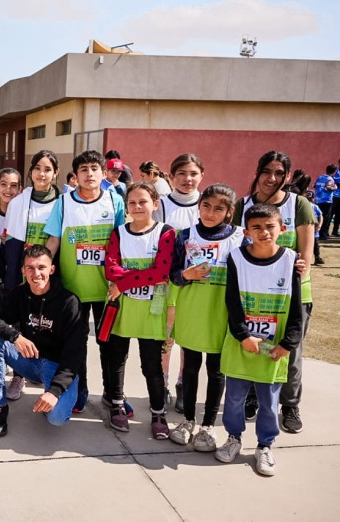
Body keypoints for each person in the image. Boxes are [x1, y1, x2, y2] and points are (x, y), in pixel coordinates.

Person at [215, 204, 303, 476]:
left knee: (268, 401)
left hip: (274, 348)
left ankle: (265, 446)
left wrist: (288, 344)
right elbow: (232, 302)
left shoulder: (291, 260)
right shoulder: (236, 258)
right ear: (247, 231)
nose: (264, 232)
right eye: (257, 227)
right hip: (242, 344)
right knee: (234, 398)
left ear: (282, 229)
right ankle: (233, 438)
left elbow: (297, 308)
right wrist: (243, 335)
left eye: (270, 226)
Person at [233, 151, 316, 433]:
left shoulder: (299, 205)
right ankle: (253, 397)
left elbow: (307, 255)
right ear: (257, 171)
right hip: (252, 293)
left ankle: (290, 405)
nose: (272, 178)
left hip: (291, 294)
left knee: (289, 351)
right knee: (254, 345)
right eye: (267, 171)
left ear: (288, 177)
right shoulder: (242, 205)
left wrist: (295, 269)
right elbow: (235, 248)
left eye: (279, 173)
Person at [44, 150, 126, 414]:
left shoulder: (115, 202)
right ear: (75, 175)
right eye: (84, 169)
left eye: (94, 169)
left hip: (107, 290)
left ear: (104, 174)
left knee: (109, 344)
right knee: (75, 345)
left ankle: (113, 395)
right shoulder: (64, 202)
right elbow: (54, 240)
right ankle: (78, 392)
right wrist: (43, 269)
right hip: (73, 290)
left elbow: (125, 240)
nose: (89, 174)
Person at [168, 184, 247, 451]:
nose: (211, 213)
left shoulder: (239, 238)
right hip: (192, 313)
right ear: (199, 205)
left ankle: (207, 426)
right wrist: (186, 276)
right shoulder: (185, 236)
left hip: (222, 316)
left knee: (216, 372)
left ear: (229, 212)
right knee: (189, 369)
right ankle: (188, 420)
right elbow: (173, 274)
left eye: (219, 209)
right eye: (206, 206)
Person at [0, 245, 83, 437]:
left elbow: (75, 354)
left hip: (57, 367)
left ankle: (56, 397)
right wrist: (15, 336)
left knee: (56, 418)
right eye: (30, 268)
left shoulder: (69, 302)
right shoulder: (20, 294)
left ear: (51, 269)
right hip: (29, 360)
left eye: (41, 267)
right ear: (23, 271)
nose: (36, 273)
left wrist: (54, 391)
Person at [104, 182, 175, 439]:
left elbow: (162, 271)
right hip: (121, 311)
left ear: (155, 204)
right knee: (117, 361)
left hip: (151, 314)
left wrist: (123, 283)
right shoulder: (119, 233)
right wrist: (139, 278)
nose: (137, 207)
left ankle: (158, 412)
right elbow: (111, 269)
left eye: (143, 201)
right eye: (132, 203)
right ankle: (117, 404)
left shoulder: (165, 233)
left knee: (151, 367)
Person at [2, 150, 62, 401]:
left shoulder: (65, 200)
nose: (42, 173)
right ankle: (19, 374)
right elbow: (13, 242)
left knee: (49, 323)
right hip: (24, 271)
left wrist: (44, 269)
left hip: (50, 272)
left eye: (48, 169)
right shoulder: (19, 202)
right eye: (37, 168)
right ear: (30, 172)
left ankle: (49, 372)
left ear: (55, 173)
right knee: (22, 322)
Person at [156, 153, 205, 414]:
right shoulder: (162, 204)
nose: (188, 179)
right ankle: (161, 384)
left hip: (200, 284)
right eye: (182, 173)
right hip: (169, 281)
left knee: (189, 338)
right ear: (171, 176)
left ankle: (183, 385)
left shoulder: (208, 203)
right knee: (167, 337)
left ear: (201, 176)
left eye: (193, 173)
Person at [313, 164, 336, 240]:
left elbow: (314, 186)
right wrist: (334, 187)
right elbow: (328, 187)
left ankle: (317, 233)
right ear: (334, 172)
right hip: (327, 201)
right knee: (326, 218)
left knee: (318, 217)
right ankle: (323, 234)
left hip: (318, 200)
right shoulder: (330, 179)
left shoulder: (320, 177)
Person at [306, 190, 325, 265]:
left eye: (310, 200)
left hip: (314, 229)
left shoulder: (315, 207)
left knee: (316, 245)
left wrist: (319, 225)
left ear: (313, 199)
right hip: (305, 229)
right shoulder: (301, 206)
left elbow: (320, 216)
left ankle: (317, 257)